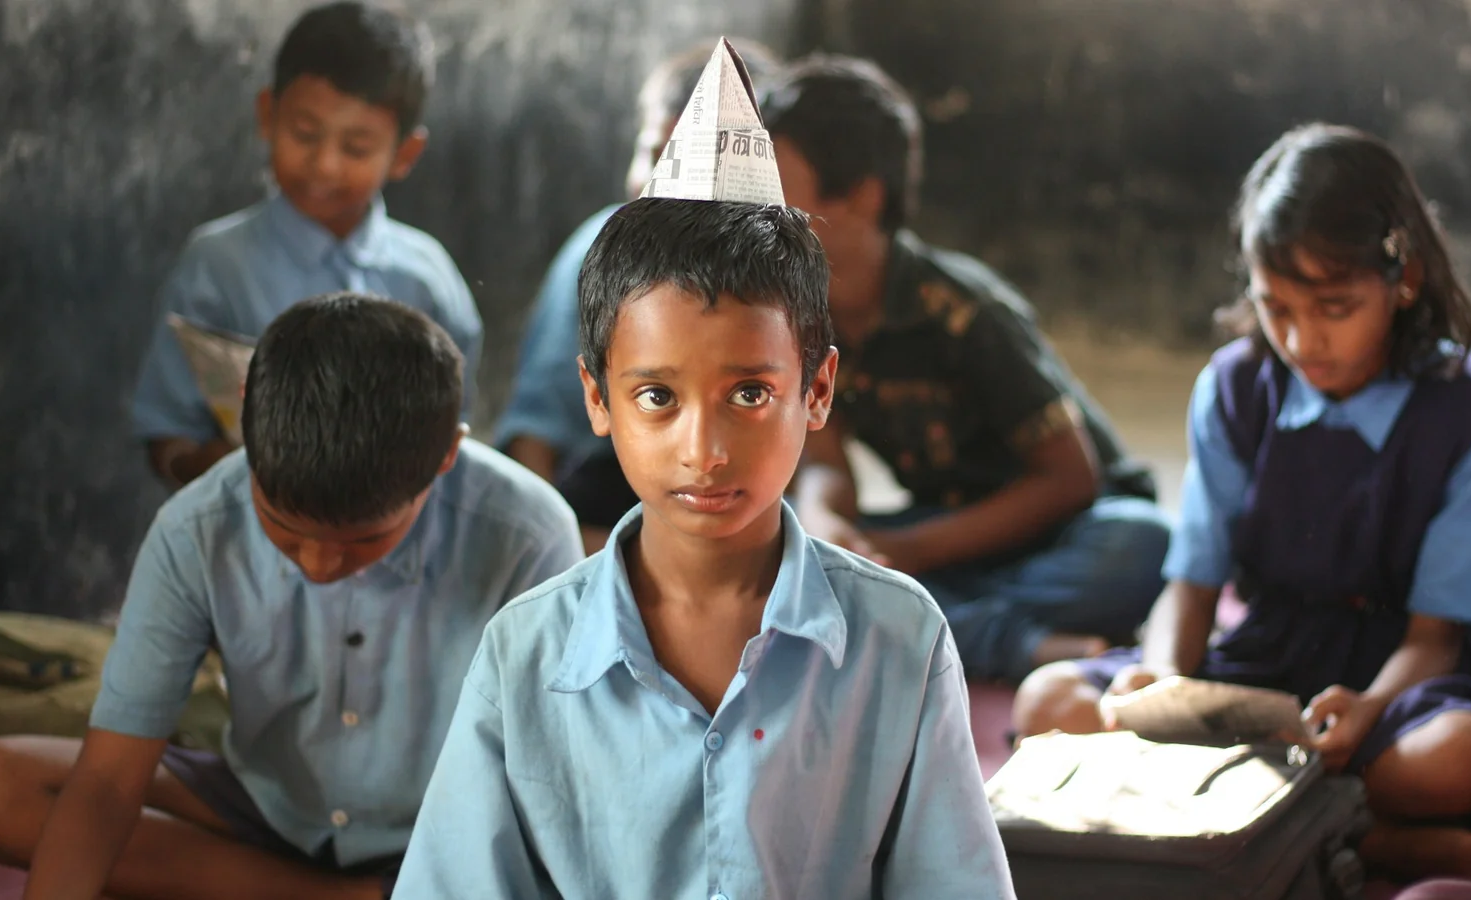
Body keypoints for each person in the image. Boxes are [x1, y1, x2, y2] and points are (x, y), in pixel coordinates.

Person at [392, 41, 1014, 899]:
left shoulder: (897, 642)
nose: (704, 449)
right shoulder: (527, 657)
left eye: (751, 394)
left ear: (819, 388)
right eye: (656, 397)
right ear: (596, 398)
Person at [0, 294, 583, 900]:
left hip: (446, 830)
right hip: (268, 808)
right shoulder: (196, 527)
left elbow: (548, 783)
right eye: (282, 528)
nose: (316, 565)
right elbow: (113, 777)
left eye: (363, 541)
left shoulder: (526, 534)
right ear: (246, 414)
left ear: (446, 452)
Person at [1013, 123, 1471, 883]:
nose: (1302, 338)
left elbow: (1437, 636)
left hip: (1404, 674)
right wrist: (1160, 682)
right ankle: (1368, 837)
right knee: (1049, 701)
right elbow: (1192, 583)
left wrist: (1372, 707)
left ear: (1402, 279)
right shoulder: (1234, 387)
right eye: (1275, 306)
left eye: (1336, 308)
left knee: (1447, 764)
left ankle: (1280, 823)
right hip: (1269, 658)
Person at [762, 56, 1170, 683]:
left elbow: (1070, 479)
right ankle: (1022, 643)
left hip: (1064, 528)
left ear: (859, 198)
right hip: (949, 533)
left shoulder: (965, 313)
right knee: (793, 558)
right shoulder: (801, 309)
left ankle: (950, 631)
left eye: (777, 184)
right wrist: (829, 523)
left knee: (1141, 543)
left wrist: (905, 552)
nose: (757, 205)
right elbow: (825, 461)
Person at [132, 1, 483, 488]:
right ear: (267, 115)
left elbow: (454, 437)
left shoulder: (427, 280)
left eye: (356, 147)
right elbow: (168, 436)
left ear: (404, 154)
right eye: (305, 133)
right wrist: (221, 469)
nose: (326, 165)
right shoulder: (217, 265)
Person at [496, 39, 780, 554]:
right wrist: (565, 550)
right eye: (653, 152)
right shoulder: (598, 251)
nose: (662, 184)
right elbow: (533, 440)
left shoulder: (779, 268)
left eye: (690, 160)